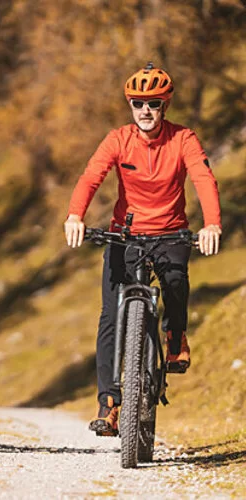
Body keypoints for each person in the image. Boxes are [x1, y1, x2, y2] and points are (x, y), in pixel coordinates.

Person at [64, 63, 222, 437]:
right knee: (110, 316)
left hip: (170, 232)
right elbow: (91, 176)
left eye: (153, 103)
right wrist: (74, 215)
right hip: (126, 235)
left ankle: (176, 334)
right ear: (130, 105)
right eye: (138, 103)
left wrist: (212, 223)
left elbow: (203, 177)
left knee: (176, 282)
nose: (145, 110)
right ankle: (109, 404)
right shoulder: (118, 139)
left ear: (164, 105)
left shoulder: (183, 139)